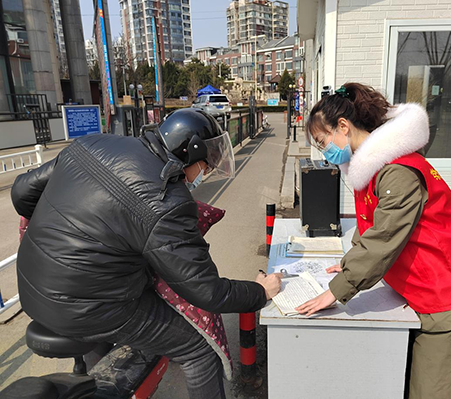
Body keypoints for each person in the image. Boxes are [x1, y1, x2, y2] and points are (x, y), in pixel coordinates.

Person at [11, 109, 281, 399]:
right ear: (190, 153)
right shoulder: (168, 201)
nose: (207, 171)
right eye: (206, 163)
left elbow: (21, 193)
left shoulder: (93, 143)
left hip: (31, 286)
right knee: (200, 347)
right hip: (89, 307)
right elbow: (206, 292)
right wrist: (259, 291)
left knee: (106, 316)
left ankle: (96, 384)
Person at [296, 83, 451, 399]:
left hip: (444, 294)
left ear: (343, 126)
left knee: (440, 390)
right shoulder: (374, 165)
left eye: (323, 142)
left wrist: (337, 290)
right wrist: (349, 264)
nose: (325, 152)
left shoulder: (397, 172)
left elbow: (385, 238)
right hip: (424, 286)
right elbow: (372, 227)